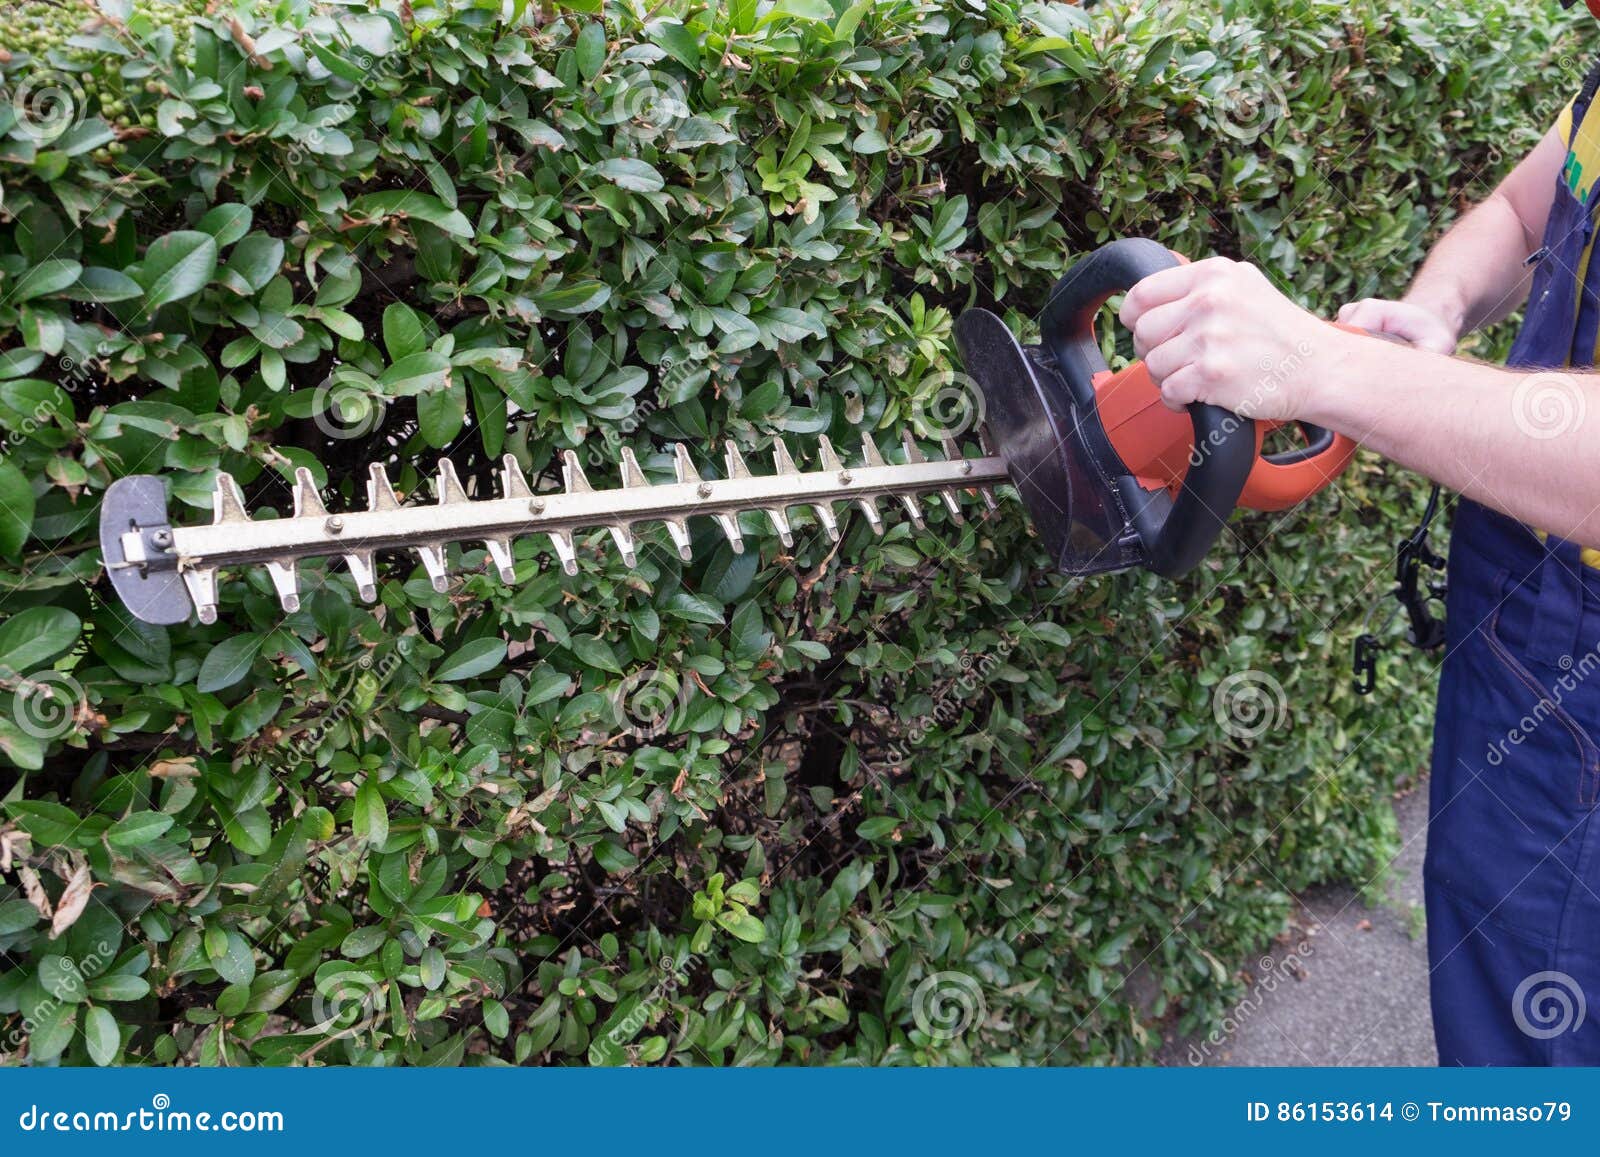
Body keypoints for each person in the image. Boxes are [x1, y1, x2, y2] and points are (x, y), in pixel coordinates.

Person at [1120, 3, 1600, 1065]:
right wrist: (1439, 308)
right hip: (1521, 602)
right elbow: (1526, 209)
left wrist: (1328, 367)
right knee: (1485, 946)